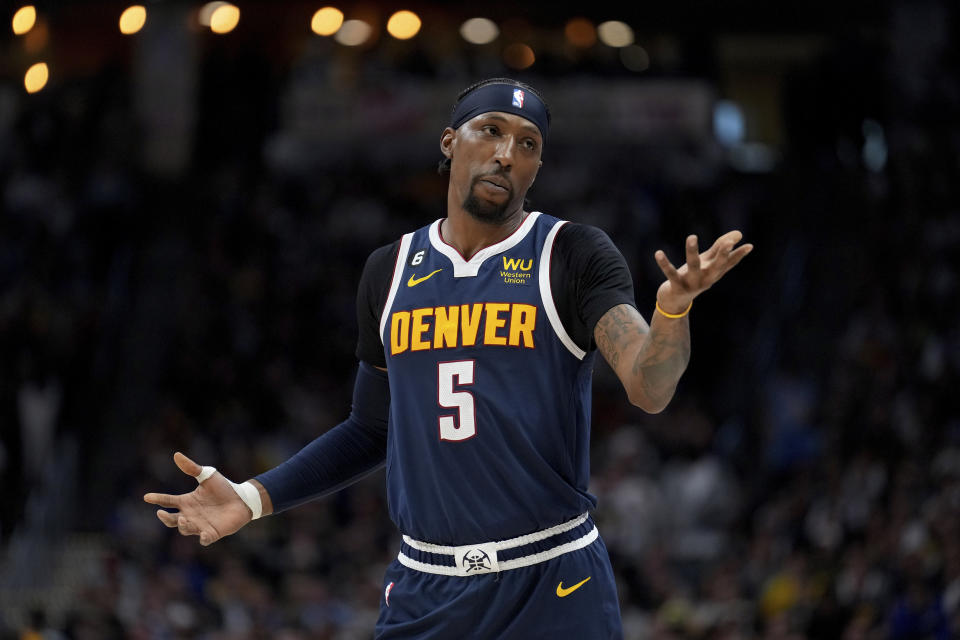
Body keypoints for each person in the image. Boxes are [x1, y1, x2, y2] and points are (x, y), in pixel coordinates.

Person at [144, 77, 752, 638]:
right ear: (449, 141)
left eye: (528, 143)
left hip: (552, 577)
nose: (507, 153)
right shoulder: (390, 270)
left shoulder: (571, 254)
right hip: (425, 586)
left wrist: (671, 312)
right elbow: (371, 429)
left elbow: (650, 387)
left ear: (537, 168)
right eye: (490, 130)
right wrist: (252, 499)